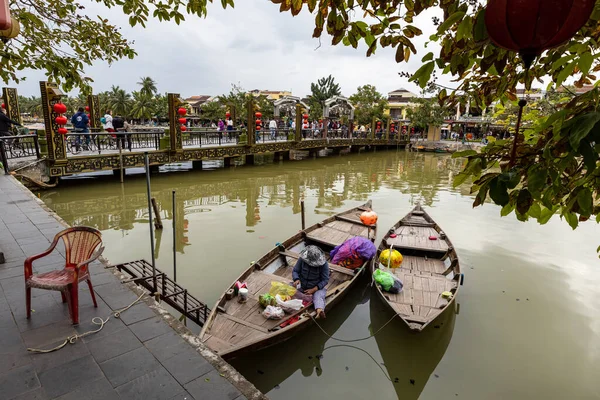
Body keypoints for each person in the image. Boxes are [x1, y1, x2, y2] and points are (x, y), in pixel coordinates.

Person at [292, 245, 330, 319]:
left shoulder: (324, 264)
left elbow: (325, 280)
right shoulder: (302, 260)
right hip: (301, 285)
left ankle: (319, 310)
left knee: (318, 296)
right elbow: (295, 271)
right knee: (289, 288)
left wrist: (314, 289)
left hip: (316, 287)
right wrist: (296, 279)